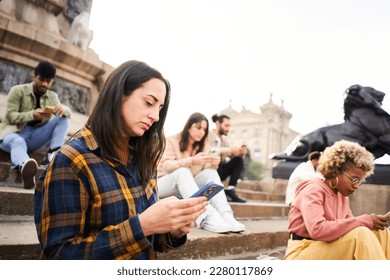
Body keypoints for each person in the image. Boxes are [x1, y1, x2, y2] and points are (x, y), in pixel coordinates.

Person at [34, 60, 208, 260]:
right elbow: (59, 255)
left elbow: (151, 241)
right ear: (118, 96)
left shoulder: (144, 158)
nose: (156, 117)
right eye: (149, 103)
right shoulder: (73, 160)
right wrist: (142, 225)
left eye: (160, 108)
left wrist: (173, 230)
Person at [284, 140, 390, 260]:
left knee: (381, 232)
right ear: (336, 171)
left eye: (360, 181)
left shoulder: (342, 196)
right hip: (301, 252)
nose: (356, 186)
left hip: (325, 246)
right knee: (361, 234)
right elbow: (317, 230)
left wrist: (373, 221)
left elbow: (350, 226)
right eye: (354, 179)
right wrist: (365, 220)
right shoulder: (312, 190)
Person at [157, 112, 245, 233]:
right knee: (182, 171)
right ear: (188, 127)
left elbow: (205, 171)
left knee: (210, 173)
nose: (202, 132)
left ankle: (226, 215)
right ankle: (206, 217)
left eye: (204, 129)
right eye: (198, 128)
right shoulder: (171, 140)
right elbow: (167, 166)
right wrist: (192, 160)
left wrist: (213, 162)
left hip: (186, 188)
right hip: (163, 184)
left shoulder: (202, 145)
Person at [0, 61, 71, 189]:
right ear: (34, 77)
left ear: (51, 82)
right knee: (18, 141)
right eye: (41, 79)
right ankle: (24, 167)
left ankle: (52, 156)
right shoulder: (17, 90)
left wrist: (63, 108)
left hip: (34, 136)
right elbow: (10, 117)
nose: (44, 84)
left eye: (48, 81)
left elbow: (67, 114)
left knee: (63, 119)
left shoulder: (52, 96)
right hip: (12, 134)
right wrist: (31, 115)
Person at [208, 114, 247, 203]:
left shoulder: (224, 140)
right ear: (218, 123)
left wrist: (240, 153)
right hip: (206, 170)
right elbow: (208, 151)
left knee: (238, 160)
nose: (228, 129)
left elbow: (230, 155)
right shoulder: (207, 135)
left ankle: (230, 189)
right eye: (226, 125)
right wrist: (229, 150)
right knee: (218, 161)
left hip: (219, 171)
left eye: (229, 126)